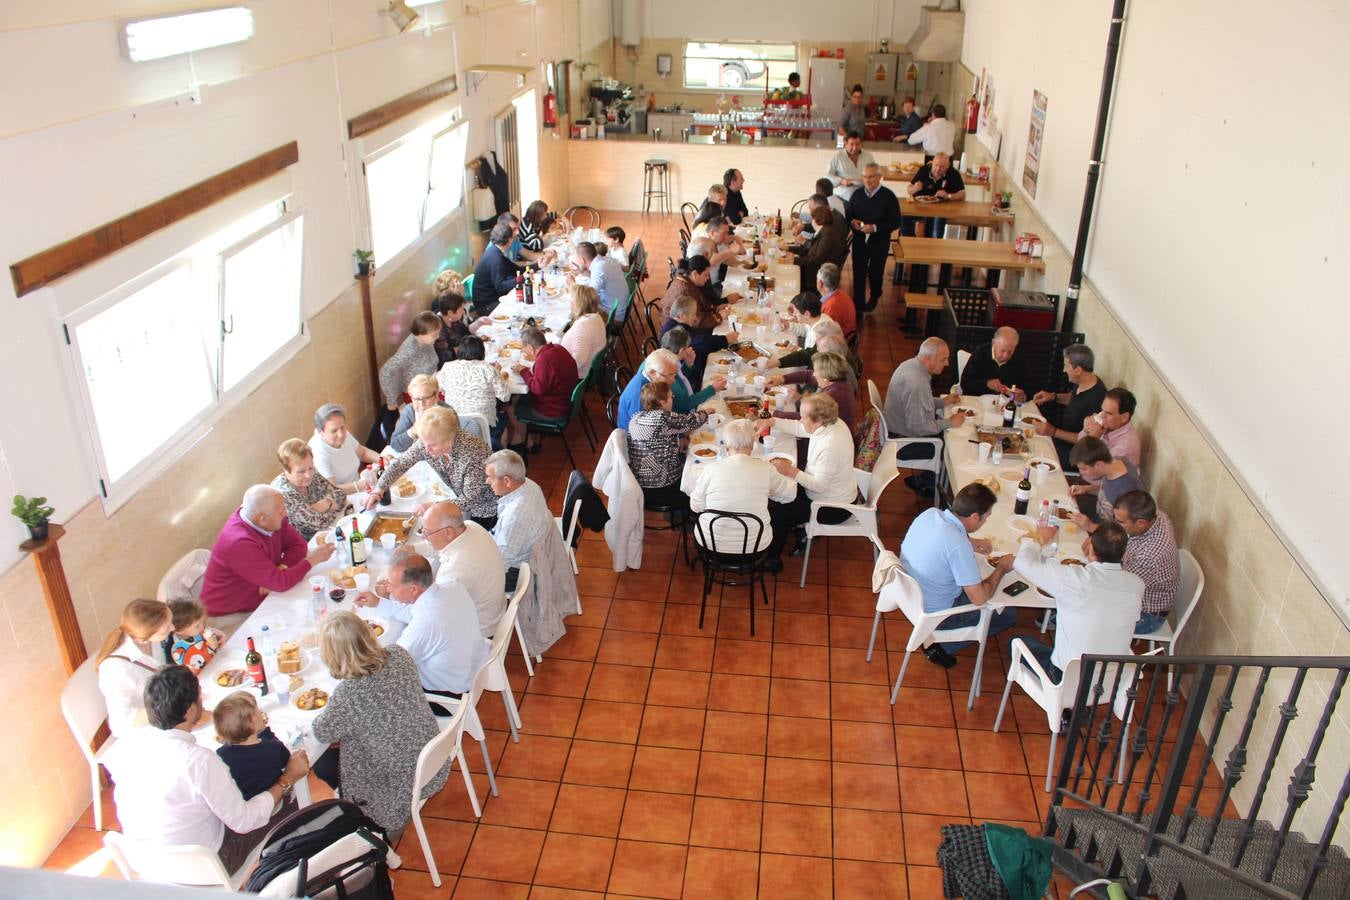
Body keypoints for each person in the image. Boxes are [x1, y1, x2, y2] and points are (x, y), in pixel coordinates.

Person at [105, 666, 308, 874]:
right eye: (200, 697)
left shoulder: (124, 748)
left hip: (148, 863)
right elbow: (244, 821)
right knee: (286, 799)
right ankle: (292, 867)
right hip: (206, 867)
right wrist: (287, 779)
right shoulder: (199, 761)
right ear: (190, 711)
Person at [311, 612, 449, 836]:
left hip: (400, 782)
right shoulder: (398, 654)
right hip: (430, 757)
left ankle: (366, 821)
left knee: (322, 762)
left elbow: (321, 731)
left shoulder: (348, 694)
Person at [899, 483, 1018, 666]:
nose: (985, 521)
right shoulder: (957, 545)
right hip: (937, 616)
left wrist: (969, 541)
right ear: (974, 516)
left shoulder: (930, 514)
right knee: (1008, 614)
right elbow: (979, 598)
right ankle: (941, 646)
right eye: (986, 517)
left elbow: (941, 542)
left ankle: (937, 639)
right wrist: (1001, 568)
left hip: (907, 595)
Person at [1009, 522, 1144, 683]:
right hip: (1110, 682)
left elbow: (1022, 563)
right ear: (1123, 554)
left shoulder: (1074, 578)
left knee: (1016, 640)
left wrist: (1036, 539)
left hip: (1066, 679)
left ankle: (1066, 702)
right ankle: (1080, 705)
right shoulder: (1137, 584)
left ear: (1091, 548)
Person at [355, 553, 488, 700]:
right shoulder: (452, 587)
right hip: (476, 666)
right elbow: (415, 612)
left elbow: (390, 668)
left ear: (413, 589)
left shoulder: (425, 625)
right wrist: (378, 603)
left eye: (392, 585)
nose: (388, 589)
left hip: (450, 694)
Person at [201, 485, 335, 630]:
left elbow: (298, 545)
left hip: (261, 600)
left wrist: (282, 568)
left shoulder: (270, 516)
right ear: (263, 519)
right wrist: (312, 560)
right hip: (229, 617)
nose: (286, 514)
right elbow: (280, 583)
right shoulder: (238, 542)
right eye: (281, 512)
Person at [765, 394, 858, 566]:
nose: (800, 420)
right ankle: (796, 531)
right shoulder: (832, 423)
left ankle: (771, 559)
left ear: (817, 420)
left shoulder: (830, 445)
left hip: (832, 506)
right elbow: (800, 428)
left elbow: (820, 486)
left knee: (780, 511)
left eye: (803, 417)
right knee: (781, 492)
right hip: (831, 492)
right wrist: (773, 422)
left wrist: (791, 471)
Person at [368, 406, 498, 528]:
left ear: (449, 440)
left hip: (485, 509)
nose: (426, 450)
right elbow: (401, 463)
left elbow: (469, 500)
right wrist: (379, 488)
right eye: (424, 443)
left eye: (432, 445)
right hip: (460, 500)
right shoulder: (428, 441)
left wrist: (434, 506)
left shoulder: (472, 454)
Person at [690, 419, 798, 555]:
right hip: (755, 548)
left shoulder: (710, 469)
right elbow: (790, 494)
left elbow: (695, 506)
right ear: (752, 445)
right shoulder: (766, 468)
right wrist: (768, 491)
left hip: (710, 545)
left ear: (727, 446)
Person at [884, 338, 967, 491]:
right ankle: (929, 484)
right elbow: (918, 427)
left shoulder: (911, 365)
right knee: (952, 448)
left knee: (948, 436)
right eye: (944, 359)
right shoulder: (917, 382)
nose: (947, 364)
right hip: (902, 443)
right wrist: (949, 422)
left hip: (895, 430)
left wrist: (943, 402)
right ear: (929, 359)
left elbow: (919, 402)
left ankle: (927, 480)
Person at [414, 500, 505, 638]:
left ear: (448, 532)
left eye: (427, 533)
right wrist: (413, 549)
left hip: (481, 630)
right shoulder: (471, 526)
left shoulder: (454, 570)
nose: (425, 537)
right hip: (496, 609)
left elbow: (434, 613)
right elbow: (441, 548)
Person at [96, 599, 172, 737]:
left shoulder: (153, 639)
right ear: (145, 636)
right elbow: (121, 723)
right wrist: (168, 704)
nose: (173, 628)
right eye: (167, 628)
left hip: (166, 707)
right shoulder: (115, 669)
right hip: (147, 729)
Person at [627, 381, 708, 509]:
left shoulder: (635, 417)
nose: (673, 399)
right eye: (671, 396)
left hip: (639, 485)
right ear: (662, 402)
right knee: (702, 482)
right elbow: (692, 422)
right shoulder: (663, 418)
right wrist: (705, 412)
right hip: (664, 486)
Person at [213, 691, 300, 809]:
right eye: (257, 710)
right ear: (253, 723)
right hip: (274, 804)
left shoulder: (220, 755)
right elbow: (287, 759)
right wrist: (265, 731)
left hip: (245, 807)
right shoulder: (272, 748)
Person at [1112, 491, 1180, 635]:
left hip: (1146, 615)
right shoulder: (1157, 516)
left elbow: (1120, 589)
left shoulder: (1150, 555)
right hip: (1133, 590)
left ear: (1141, 523)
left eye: (1120, 522)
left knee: (1089, 613)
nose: (1115, 525)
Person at [1031, 343, 1108, 466]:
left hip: (1074, 451)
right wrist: (1052, 397)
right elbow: (1074, 398)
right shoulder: (1083, 380)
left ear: (1078, 370)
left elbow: (1086, 439)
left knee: (1032, 452)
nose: (1064, 370)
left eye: (1066, 366)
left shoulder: (1097, 398)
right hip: (1060, 437)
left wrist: (1054, 432)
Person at [484, 449, 551, 582]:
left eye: (490, 477)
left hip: (518, 572)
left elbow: (502, 563)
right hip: (533, 549)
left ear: (507, 481)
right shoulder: (530, 484)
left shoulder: (514, 517)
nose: (487, 481)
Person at [436, 334, 511, 448]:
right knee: (504, 419)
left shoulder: (447, 367)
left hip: (454, 423)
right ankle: (500, 457)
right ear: (482, 351)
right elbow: (505, 396)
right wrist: (498, 374)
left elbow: (439, 388)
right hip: (482, 424)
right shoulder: (488, 369)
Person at [846, 163, 902, 312]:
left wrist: (875, 228)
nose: (867, 180)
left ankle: (875, 294)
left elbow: (896, 221)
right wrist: (852, 221)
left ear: (879, 177)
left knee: (876, 272)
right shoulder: (857, 194)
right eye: (864, 177)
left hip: (879, 241)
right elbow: (849, 213)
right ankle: (858, 304)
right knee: (858, 271)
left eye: (871, 177)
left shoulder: (888, 197)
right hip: (859, 240)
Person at [378, 311, 442, 434]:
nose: (437, 337)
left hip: (432, 386)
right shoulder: (409, 350)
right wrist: (391, 400)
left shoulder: (426, 341)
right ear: (422, 333)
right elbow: (385, 372)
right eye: (434, 335)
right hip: (420, 397)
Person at [513, 325, 581, 442]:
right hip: (565, 401)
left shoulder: (544, 360)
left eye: (523, 348)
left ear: (530, 347)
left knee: (512, 406)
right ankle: (520, 437)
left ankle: (526, 442)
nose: (523, 351)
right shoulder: (558, 348)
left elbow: (536, 389)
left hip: (552, 411)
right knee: (520, 396)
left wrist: (523, 371)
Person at [272, 438, 348, 539]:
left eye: (311, 468)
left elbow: (341, 495)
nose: (308, 475)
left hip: (327, 532)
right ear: (286, 470)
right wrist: (330, 504)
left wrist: (321, 506)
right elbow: (319, 523)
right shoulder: (283, 493)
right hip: (305, 546)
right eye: (301, 472)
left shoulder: (311, 473)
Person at [771, 350, 857, 433]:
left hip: (830, 437)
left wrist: (772, 414)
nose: (814, 374)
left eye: (816, 371)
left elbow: (806, 419)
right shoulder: (836, 380)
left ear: (825, 376)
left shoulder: (832, 395)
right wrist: (782, 379)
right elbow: (807, 375)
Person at [1068, 437, 1145, 526]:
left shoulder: (1127, 490)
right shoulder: (1117, 461)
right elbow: (1107, 491)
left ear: (1099, 465)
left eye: (1084, 469)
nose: (1082, 473)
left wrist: (1091, 527)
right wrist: (1086, 489)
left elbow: (1122, 532)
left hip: (1106, 532)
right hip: (1098, 517)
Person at [308, 404, 381, 494]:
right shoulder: (318, 452)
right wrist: (361, 485)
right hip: (342, 498)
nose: (341, 434)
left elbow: (363, 453)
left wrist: (382, 459)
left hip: (360, 487)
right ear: (321, 432)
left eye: (342, 427)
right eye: (334, 431)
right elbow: (331, 489)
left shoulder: (343, 434)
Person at [660, 299, 732, 389]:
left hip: (685, 370)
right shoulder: (677, 331)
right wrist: (725, 339)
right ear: (682, 316)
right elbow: (701, 342)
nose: (695, 318)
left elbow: (698, 333)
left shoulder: (675, 323)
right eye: (693, 314)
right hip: (688, 380)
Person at [617, 348, 680, 428]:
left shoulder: (654, 381)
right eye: (669, 375)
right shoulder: (640, 396)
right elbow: (643, 432)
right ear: (653, 373)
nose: (673, 380)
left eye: (674, 374)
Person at [1080, 387, 1141, 470]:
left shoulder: (1125, 446)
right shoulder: (1110, 424)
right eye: (1102, 410)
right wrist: (1086, 430)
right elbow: (1079, 441)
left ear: (1124, 417)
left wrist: (1092, 439)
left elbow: (1089, 466)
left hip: (1098, 481)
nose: (1101, 415)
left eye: (1108, 413)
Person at [959, 326, 1028, 398]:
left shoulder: (1019, 358)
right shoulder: (981, 353)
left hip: (1006, 405)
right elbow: (965, 383)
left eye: (1010, 352)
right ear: (994, 343)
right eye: (1002, 350)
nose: (1005, 356)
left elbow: (1029, 387)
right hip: (978, 401)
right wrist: (986, 384)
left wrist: (1022, 396)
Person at [389, 374, 449, 454]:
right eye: (416, 399)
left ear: (436, 396)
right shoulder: (409, 411)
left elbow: (453, 447)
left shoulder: (447, 412)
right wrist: (413, 431)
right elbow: (395, 445)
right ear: (411, 398)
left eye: (426, 398)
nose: (421, 404)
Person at [658, 256, 721, 331]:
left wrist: (716, 308)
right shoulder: (686, 290)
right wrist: (719, 317)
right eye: (705, 275)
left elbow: (701, 303)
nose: (708, 278)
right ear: (695, 274)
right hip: (676, 334)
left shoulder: (686, 280)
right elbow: (697, 321)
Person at [471, 222, 520, 317]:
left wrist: (538, 265)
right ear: (509, 240)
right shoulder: (495, 258)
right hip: (486, 305)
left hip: (491, 299)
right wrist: (520, 279)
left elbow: (516, 269)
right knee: (518, 310)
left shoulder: (495, 250)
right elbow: (501, 287)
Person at [572, 240, 627, 322]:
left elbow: (588, 297)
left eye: (578, 260)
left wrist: (572, 284)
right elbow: (601, 277)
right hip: (620, 306)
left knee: (579, 309)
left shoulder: (599, 268)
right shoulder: (605, 260)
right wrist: (583, 271)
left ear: (582, 260)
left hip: (614, 316)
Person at [559, 283, 607, 377]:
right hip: (582, 368)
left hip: (576, 375)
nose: (570, 301)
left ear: (579, 303)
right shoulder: (596, 317)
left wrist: (557, 367)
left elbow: (578, 363)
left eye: (572, 299)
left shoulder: (582, 327)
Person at [792, 203, 844, 290]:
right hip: (818, 270)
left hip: (818, 277)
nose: (811, 222)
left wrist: (794, 260)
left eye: (812, 219)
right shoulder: (825, 230)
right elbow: (809, 250)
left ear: (816, 220)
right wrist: (789, 249)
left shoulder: (828, 235)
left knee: (793, 275)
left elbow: (816, 259)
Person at [166, 597, 224, 673]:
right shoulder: (178, 650)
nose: (202, 627)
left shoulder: (198, 631)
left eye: (203, 622)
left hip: (217, 664)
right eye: (197, 626)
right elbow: (198, 668)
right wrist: (212, 647)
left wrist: (219, 638)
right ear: (180, 630)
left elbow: (220, 643)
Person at [827, 131, 875, 203]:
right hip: (843, 196)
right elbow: (828, 175)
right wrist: (841, 181)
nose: (855, 148)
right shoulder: (838, 156)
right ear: (846, 144)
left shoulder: (868, 156)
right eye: (851, 144)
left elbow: (874, 173)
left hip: (864, 194)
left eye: (857, 144)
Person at [431, 291, 476, 366]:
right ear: (450, 313)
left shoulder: (454, 319)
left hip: (463, 355)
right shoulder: (438, 329)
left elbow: (466, 332)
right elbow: (447, 358)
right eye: (461, 309)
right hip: (450, 366)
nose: (463, 312)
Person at [816, 263, 857, 341]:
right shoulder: (842, 295)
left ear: (820, 283)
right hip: (843, 337)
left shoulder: (830, 307)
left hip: (837, 343)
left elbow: (822, 334)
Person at [518, 200, 557, 265]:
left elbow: (554, 214)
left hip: (536, 252)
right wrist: (548, 235)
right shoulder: (527, 226)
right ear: (537, 215)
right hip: (527, 256)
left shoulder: (536, 218)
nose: (546, 216)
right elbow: (535, 245)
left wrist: (564, 219)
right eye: (544, 214)